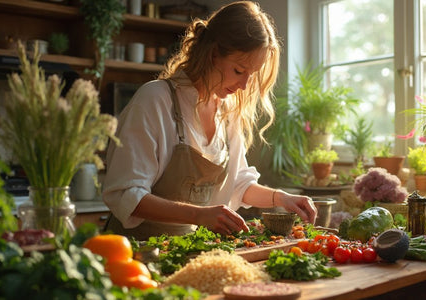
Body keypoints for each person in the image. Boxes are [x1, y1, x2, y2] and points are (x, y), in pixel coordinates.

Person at [102, 1, 317, 240]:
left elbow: (238, 184)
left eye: (251, 75)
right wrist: (198, 215)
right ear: (213, 54)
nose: (244, 85)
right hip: (135, 254)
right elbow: (127, 194)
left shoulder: (228, 110)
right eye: (238, 70)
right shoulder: (155, 100)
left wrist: (282, 198)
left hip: (185, 252)